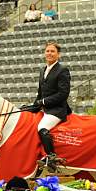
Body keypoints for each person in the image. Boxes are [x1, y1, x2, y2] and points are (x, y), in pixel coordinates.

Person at [33, 41, 71, 171]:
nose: (49, 53)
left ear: (58, 54)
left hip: (57, 110)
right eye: (47, 51)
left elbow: (63, 94)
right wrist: (33, 106)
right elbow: (40, 92)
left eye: (52, 51)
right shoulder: (42, 69)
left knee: (42, 128)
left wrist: (43, 102)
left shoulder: (62, 70)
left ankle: (52, 158)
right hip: (46, 108)